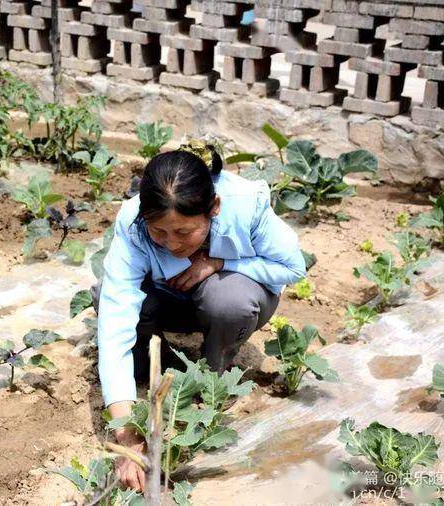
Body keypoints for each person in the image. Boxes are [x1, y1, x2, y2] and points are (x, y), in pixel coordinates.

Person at [93, 149, 306, 492]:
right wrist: (126, 437)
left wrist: (219, 264)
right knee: (105, 293)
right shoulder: (133, 223)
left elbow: (293, 267)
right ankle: (147, 360)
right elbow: (115, 322)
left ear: (214, 209)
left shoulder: (244, 205)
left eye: (184, 232)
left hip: (228, 294)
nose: (171, 243)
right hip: (171, 298)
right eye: (159, 232)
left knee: (228, 303)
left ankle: (212, 377)